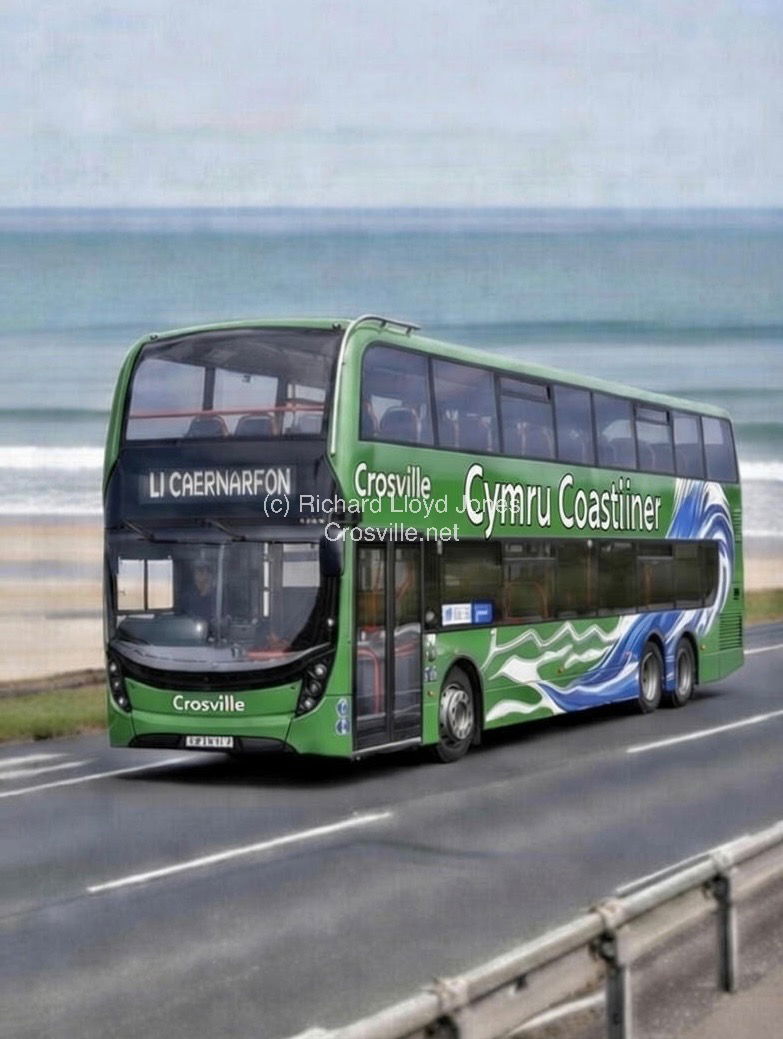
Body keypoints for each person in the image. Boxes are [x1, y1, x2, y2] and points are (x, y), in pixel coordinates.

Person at [181, 557, 218, 627]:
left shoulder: (217, 594)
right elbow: (185, 616)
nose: (205, 574)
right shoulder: (188, 595)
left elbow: (224, 615)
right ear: (194, 574)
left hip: (214, 630)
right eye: (201, 571)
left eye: (208, 571)